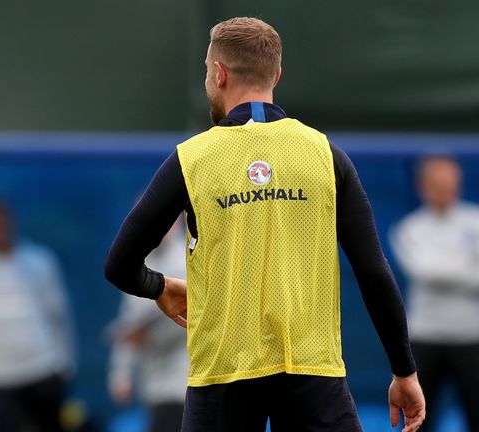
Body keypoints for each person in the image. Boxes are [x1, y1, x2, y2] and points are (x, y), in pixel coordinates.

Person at [104, 17, 426, 432]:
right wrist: (404, 372)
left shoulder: (191, 160)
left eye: (206, 70)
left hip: (222, 379)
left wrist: (161, 288)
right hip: (314, 376)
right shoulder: (326, 156)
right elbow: (373, 273)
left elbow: (119, 265)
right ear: (276, 74)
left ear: (218, 74)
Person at [0, 201, 75, 432]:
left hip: (44, 368)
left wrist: (65, 362)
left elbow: (59, 315)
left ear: (11, 222)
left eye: (0, 221)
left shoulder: (40, 261)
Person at [390, 156, 479, 432]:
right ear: (422, 187)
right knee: (419, 419)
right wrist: (465, 268)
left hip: (471, 337)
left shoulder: (475, 222)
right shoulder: (408, 230)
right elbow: (422, 271)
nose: (444, 189)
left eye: (449, 182)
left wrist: (443, 270)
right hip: (424, 337)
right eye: (437, 183)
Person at [107, 220, 188, 432]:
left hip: (185, 379)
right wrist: (120, 374)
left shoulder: (189, 258)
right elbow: (128, 323)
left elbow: (196, 320)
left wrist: (149, 335)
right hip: (152, 384)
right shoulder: (135, 265)